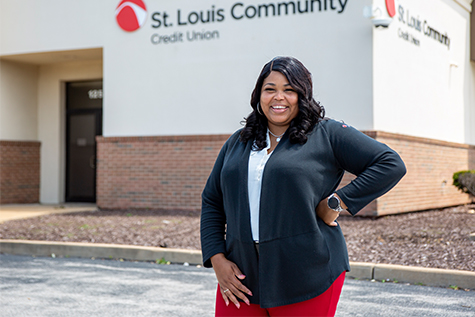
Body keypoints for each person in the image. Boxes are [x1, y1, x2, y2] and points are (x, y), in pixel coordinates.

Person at [200, 56, 406, 316]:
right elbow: (211, 200)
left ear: (303, 95)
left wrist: (337, 202)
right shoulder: (238, 142)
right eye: (270, 89)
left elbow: (389, 163)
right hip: (242, 275)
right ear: (258, 95)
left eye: (289, 90)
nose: (279, 97)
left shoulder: (327, 134)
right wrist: (217, 258)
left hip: (306, 272)